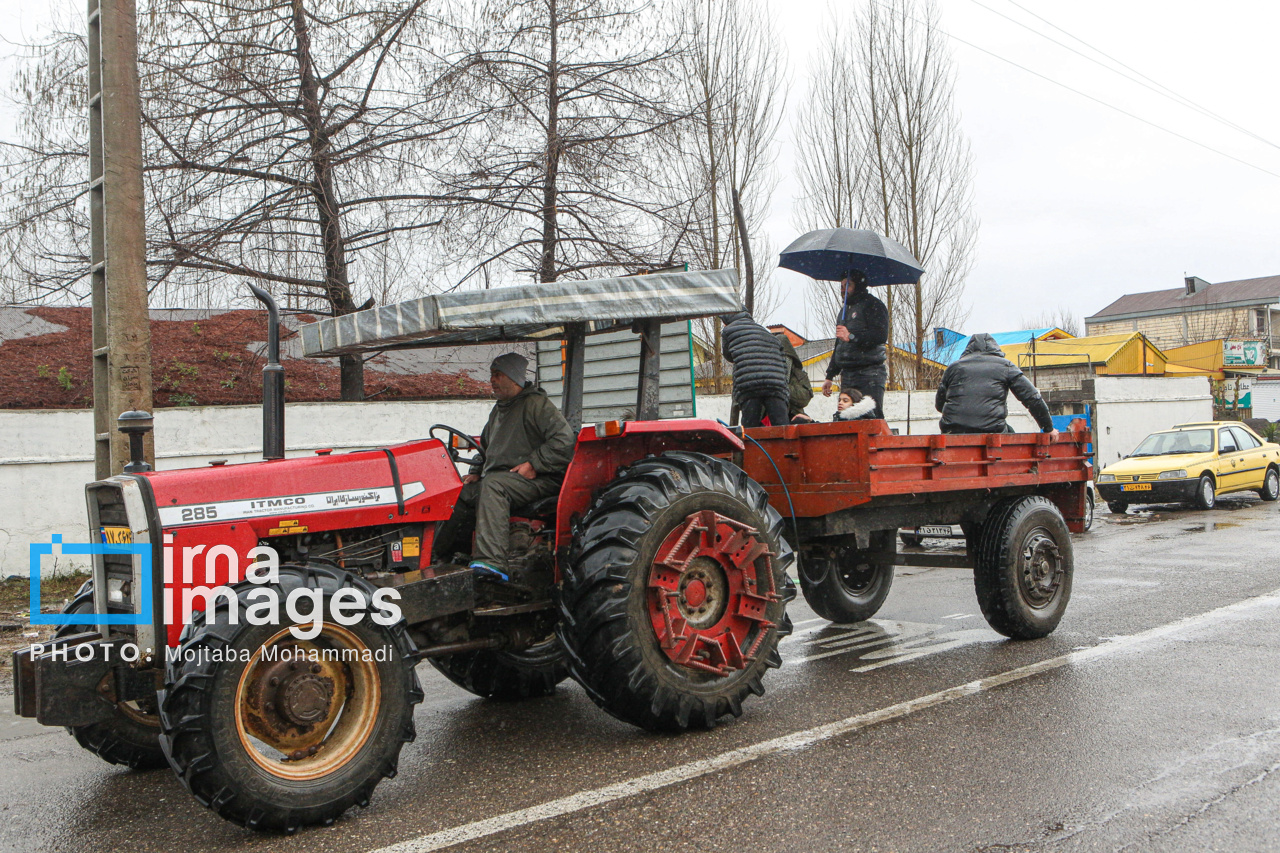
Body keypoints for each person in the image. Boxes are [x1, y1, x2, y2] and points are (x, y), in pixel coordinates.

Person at [431, 352, 576, 581]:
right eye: (492, 375)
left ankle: (491, 563)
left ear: (514, 377)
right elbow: (486, 447)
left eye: (498, 375)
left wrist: (534, 464)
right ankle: (444, 559)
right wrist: (476, 472)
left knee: (494, 486)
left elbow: (564, 442)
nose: (492, 380)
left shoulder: (537, 404)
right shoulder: (500, 409)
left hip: (540, 480)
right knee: (460, 492)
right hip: (505, 479)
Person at [934, 333, 1059, 437]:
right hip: (992, 430)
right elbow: (1032, 398)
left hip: (952, 431)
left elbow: (939, 405)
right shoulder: (1005, 366)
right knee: (1013, 440)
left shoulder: (953, 368)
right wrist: (1048, 428)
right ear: (995, 348)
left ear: (968, 349)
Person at [821, 270, 889, 418]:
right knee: (846, 416)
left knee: (871, 417)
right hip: (848, 374)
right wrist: (830, 375)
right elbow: (840, 345)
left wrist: (851, 336)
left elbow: (880, 335)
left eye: (848, 285)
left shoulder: (874, 305)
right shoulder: (843, 312)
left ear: (859, 286)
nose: (843, 289)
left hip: (870, 372)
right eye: (842, 286)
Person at [721, 311, 790, 427]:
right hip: (775, 382)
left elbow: (728, 356)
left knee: (750, 428)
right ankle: (786, 444)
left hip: (749, 383)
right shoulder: (764, 331)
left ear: (727, 319)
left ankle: (754, 443)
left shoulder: (728, 331)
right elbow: (783, 359)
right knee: (782, 426)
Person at [774, 331, 816, 423]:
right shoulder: (767, 372)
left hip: (793, 416)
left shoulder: (799, 375)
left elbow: (804, 399)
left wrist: (782, 387)